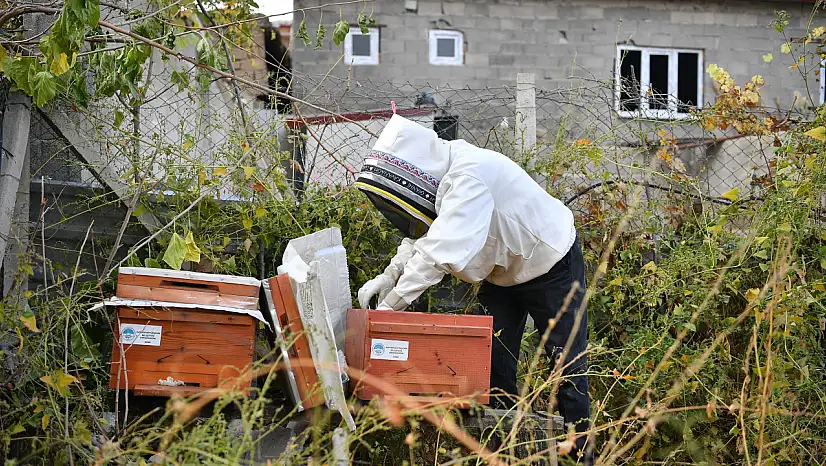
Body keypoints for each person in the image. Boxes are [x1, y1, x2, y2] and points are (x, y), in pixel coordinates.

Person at [354, 114, 592, 462]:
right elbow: (426, 234)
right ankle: (505, 454)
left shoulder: (468, 177)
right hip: (502, 275)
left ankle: (580, 457)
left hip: (551, 264)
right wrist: (390, 276)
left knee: (565, 367)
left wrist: (389, 309)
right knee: (493, 368)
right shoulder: (448, 173)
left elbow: (438, 253)